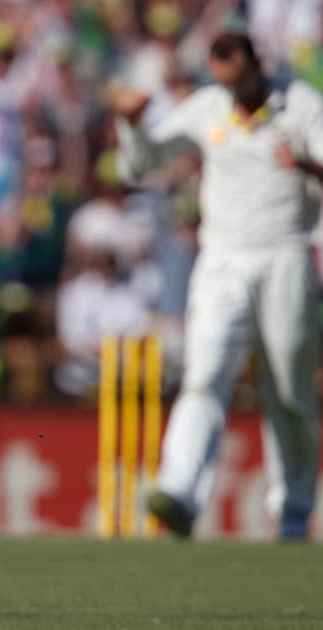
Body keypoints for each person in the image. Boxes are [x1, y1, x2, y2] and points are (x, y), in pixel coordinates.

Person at [115, 32, 323, 539]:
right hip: (222, 259)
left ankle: (293, 510)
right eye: (224, 82)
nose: (234, 92)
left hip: (286, 254)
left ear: (258, 66)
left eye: (240, 81)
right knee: (204, 376)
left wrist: (305, 164)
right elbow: (142, 165)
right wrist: (132, 123)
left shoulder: (300, 105)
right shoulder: (208, 106)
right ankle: (181, 495)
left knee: (289, 390)